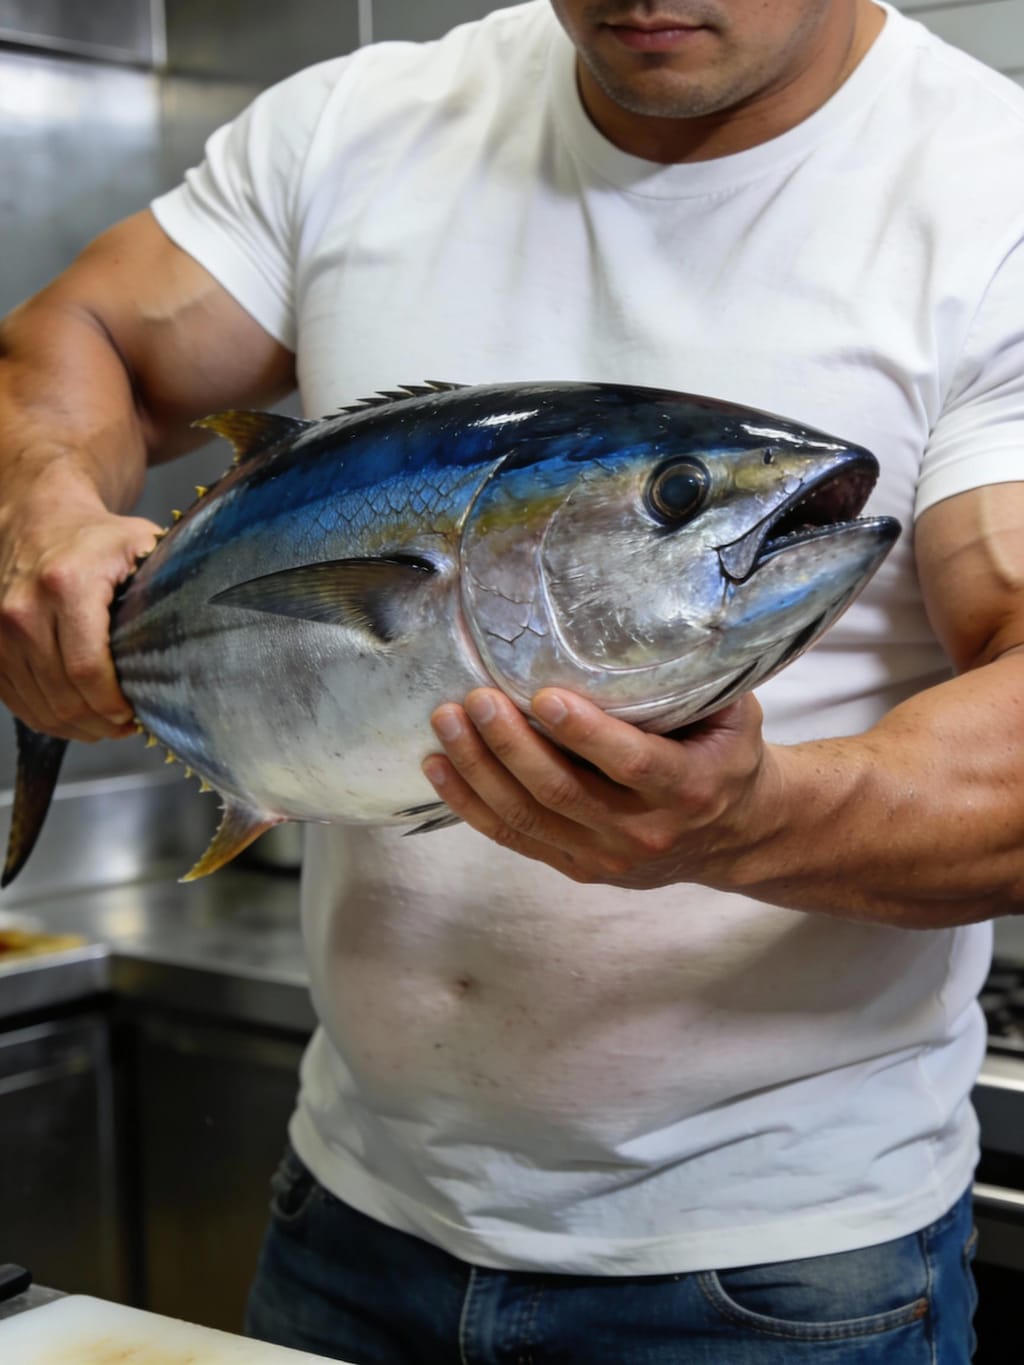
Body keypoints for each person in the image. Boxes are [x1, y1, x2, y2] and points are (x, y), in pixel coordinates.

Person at [1, 0, 1022, 1359]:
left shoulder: (987, 186)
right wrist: (49, 515)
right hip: (349, 1213)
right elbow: (81, 342)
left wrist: (749, 818)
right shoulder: (359, 123)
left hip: (781, 1282)